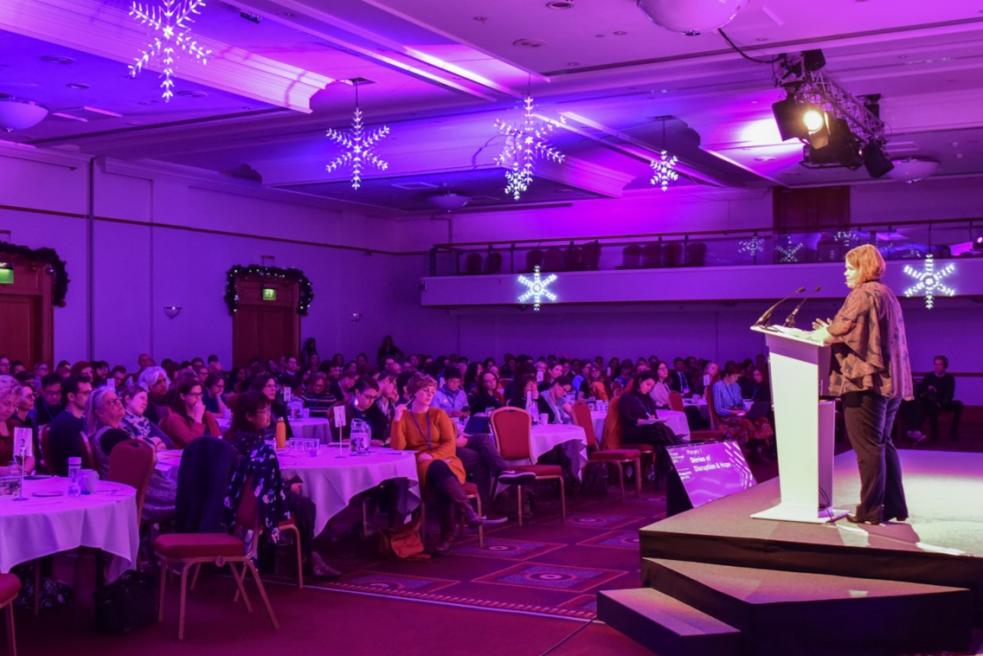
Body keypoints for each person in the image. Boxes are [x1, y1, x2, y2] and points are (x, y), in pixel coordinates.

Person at [811, 244, 912, 525]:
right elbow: (862, 334)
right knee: (882, 444)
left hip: (865, 382)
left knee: (868, 448)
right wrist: (832, 330)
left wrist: (823, 332)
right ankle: (893, 505)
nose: (844, 272)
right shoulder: (885, 293)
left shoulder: (863, 293)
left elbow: (841, 330)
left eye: (849, 267)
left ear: (864, 268)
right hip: (888, 383)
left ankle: (870, 510)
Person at [223, 391, 338, 579]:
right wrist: (285, 488)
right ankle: (307, 559)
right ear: (249, 416)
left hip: (237, 496)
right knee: (306, 505)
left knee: (297, 489)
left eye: (269, 411)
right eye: (264, 412)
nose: (269, 416)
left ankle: (298, 556)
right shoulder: (252, 443)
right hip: (251, 500)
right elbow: (260, 482)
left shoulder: (234, 436)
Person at [390, 373, 499, 554]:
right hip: (419, 464)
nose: (429, 394)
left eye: (432, 391)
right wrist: (396, 419)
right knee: (439, 476)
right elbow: (398, 447)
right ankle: (465, 514)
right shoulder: (405, 416)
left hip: (446, 461)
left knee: (440, 475)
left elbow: (450, 444)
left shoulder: (438, 414)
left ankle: (449, 534)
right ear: (413, 392)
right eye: (425, 390)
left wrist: (434, 456)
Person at [712, 363, 774, 449]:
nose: (736, 379)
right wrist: (734, 412)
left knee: (763, 419)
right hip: (727, 416)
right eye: (735, 376)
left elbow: (741, 403)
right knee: (746, 422)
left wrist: (748, 410)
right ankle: (751, 449)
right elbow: (719, 409)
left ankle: (761, 448)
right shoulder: (718, 386)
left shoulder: (736, 386)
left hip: (739, 413)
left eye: (738, 377)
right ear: (727, 375)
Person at [47, 375, 93, 475]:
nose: (91, 398)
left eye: (91, 393)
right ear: (71, 396)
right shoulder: (64, 424)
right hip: (71, 481)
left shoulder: (82, 420)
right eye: (86, 393)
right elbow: (76, 463)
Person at [913, 356, 963, 442]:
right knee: (931, 407)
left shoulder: (949, 378)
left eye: (940, 364)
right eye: (935, 364)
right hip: (931, 402)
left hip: (944, 401)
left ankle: (953, 432)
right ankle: (934, 435)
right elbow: (920, 390)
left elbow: (950, 394)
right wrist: (928, 389)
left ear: (945, 366)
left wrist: (937, 391)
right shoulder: (929, 376)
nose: (937, 366)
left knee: (959, 405)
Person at [160, 378, 221, 448]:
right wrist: (198, 418)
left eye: (200, 394)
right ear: (183, 396)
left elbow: (218, 438)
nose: (198, 398)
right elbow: (192, 443)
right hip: (185, 457)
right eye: (194, 394)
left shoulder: (207, 415)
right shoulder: (174, 419)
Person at [85, 387, 131, 479]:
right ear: (99, 413)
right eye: (112, 402)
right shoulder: (110, 436)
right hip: (124, 486)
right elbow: (143, 456)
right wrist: (153, 443)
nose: (118, 403)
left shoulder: (119, 430)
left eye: (117, 399)